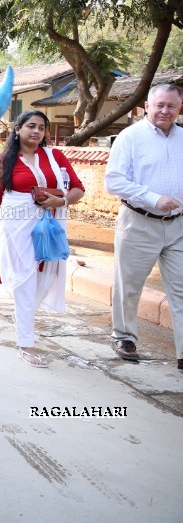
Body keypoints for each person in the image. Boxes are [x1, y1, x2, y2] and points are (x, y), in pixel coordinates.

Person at [0, 110, 85, 368]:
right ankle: (26, 343)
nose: (36, 131)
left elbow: (77, 188)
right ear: (17, 128)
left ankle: (23, 319)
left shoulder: (55, 156)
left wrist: (61, 200)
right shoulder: (4, 160)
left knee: (44, 281)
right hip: (16, 226)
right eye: (31, 126)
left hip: (50, 224)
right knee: (25, 280)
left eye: (42, 128)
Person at [105, 84, 183, 367]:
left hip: (178, 227)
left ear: (179, 108)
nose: (165, 110)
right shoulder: (130, 137)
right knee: (129, 285)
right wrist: (153, 198)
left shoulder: (182, 138)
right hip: (138, 222)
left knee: (181, 288)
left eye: (171, 106)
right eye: (159, 105)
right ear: (147, 106)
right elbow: (114, 181)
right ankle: (124, 336)